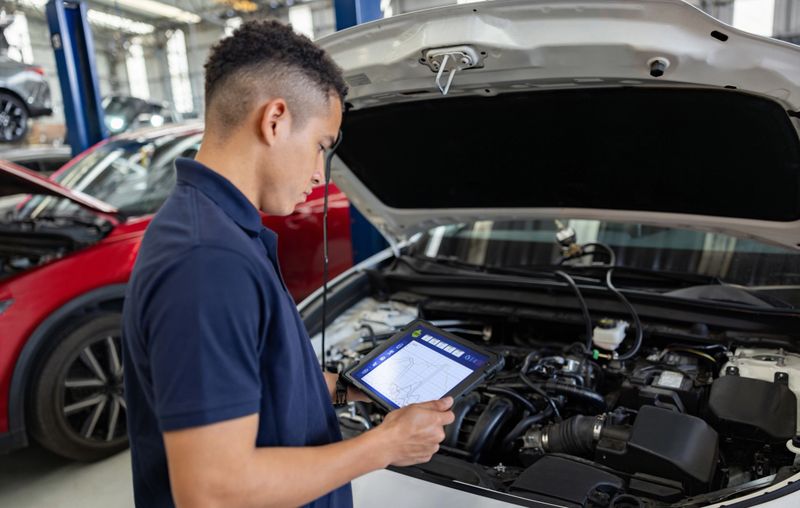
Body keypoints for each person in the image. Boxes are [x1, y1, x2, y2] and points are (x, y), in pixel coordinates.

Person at [121, 19, 455, 508]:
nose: (321, 175)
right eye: (322, 145)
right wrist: (384, 445)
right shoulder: (207, 262)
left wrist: (351, 391)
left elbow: (269, 382)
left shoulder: (220, 230)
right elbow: (213, 491)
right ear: (275, 120)